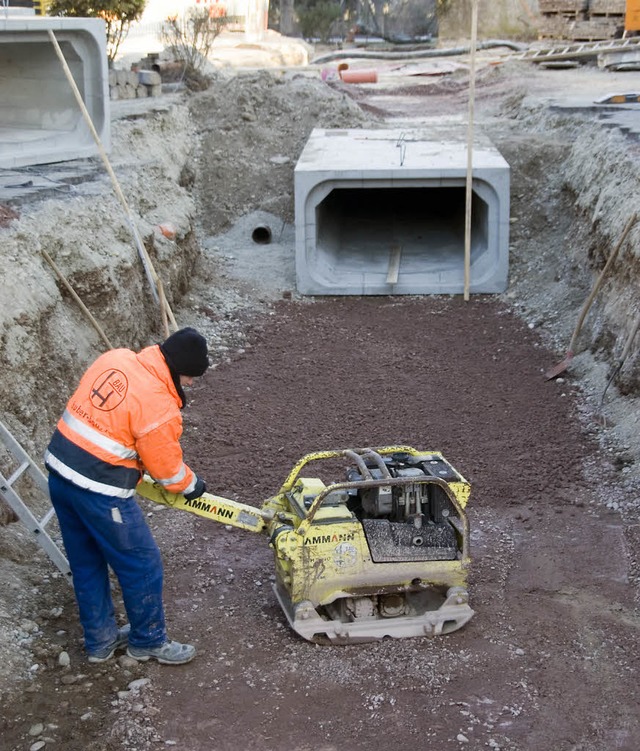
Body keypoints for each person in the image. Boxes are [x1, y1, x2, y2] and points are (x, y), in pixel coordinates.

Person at [45, 327, 209, 665]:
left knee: (87, 562)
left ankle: (100, 642)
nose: (191, 384)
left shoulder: (117, 357)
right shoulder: (158, 404)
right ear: (179, 371)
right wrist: (191, 485)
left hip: (60, 473)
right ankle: (148, 640)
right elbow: (167, 472)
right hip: (99, 490)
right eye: (191, 377)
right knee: (142, 564)